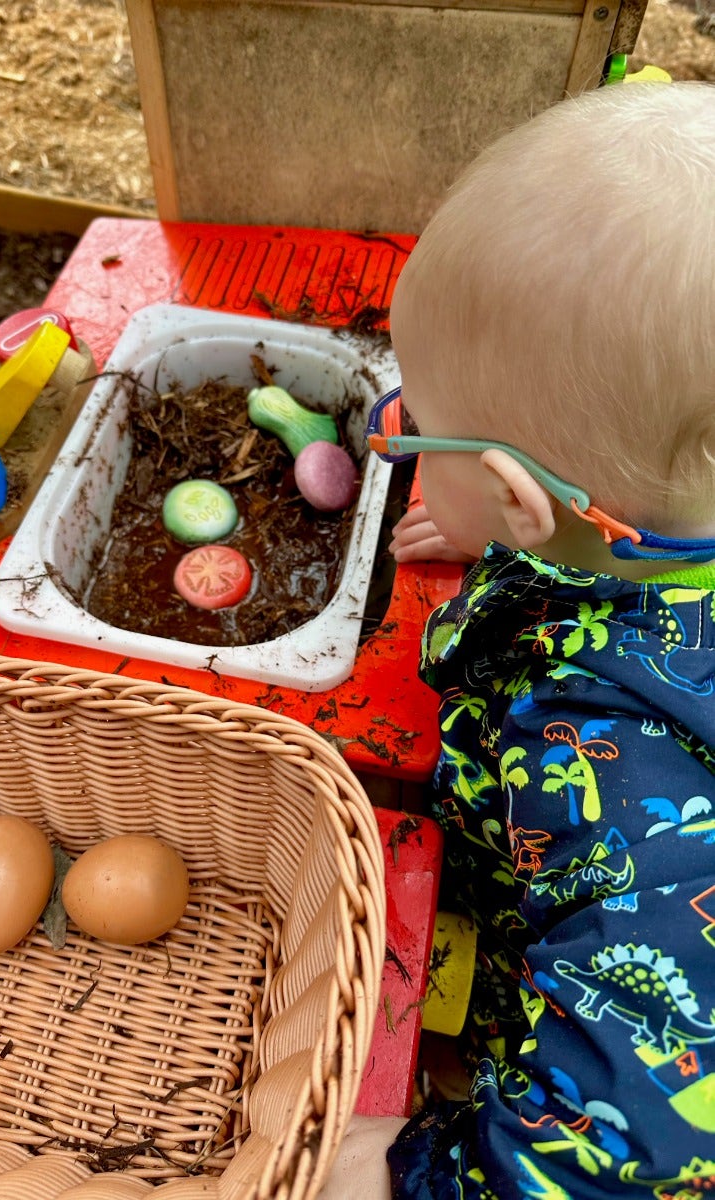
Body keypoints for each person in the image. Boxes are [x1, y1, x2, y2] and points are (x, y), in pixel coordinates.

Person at [322, 79, 715, 1199]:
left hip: (577, 1009)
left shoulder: (612, 764)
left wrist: (410, 1175)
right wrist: (494, 527)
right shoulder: (657, 519)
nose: (395, 431)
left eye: (418, 424)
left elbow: (650, 1150)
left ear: (521, 495)